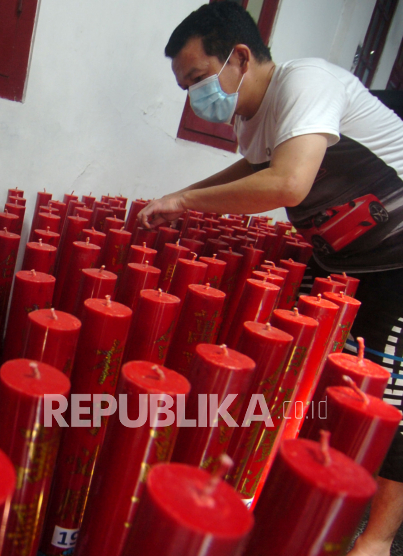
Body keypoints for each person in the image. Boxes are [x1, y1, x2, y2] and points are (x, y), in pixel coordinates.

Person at [138, 4, 403, 555]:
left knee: (390, 394)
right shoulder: (251, 118)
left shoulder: (306, 82)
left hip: (399, 259)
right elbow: (254, 170)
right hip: (343, 258)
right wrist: (182, 202)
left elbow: (287, 184)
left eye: (196, 79)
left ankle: (375, 539)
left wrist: (185, 199)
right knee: (310, 372)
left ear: (237, 57)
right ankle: (293, 478)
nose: (194, 96)